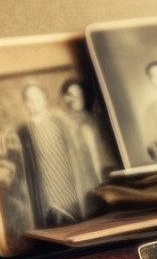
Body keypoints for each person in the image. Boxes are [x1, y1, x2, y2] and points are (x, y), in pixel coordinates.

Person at [13, 82, 86, 228]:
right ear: (25, 103)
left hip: (68, 191)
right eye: (30, 99)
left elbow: (75, 155)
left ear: (45, 99)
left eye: (38, 98)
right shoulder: (23, 131)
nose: (34, 102)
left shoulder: (60, 124)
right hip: (44, 195)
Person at [58, 78, 110, 215]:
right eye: (72, 95)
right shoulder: (62, 122)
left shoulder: (90, 119)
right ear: (65, 98)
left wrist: (100, 175)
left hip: (95, 173)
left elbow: (97, 152)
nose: (77, 99)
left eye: (79, 94)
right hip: (74, 176)